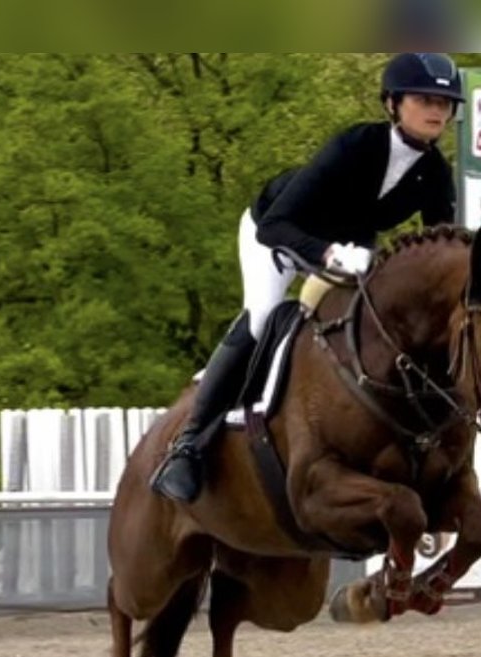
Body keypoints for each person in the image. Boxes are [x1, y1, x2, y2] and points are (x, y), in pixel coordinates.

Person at [150, 53, 464, 504]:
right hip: (278, 234)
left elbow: (441, 247)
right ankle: (188, 446)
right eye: (423, 99)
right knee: (262, 318)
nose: (436, 110)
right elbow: (275, 226)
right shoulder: (355, 145)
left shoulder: (435, 172)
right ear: (392, 103)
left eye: (445, 102)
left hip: (349, 252)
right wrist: (328, 252)